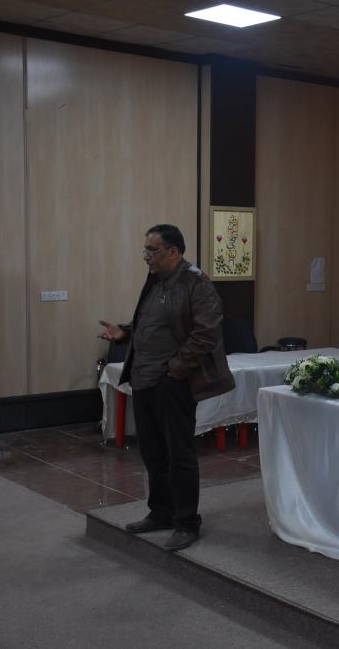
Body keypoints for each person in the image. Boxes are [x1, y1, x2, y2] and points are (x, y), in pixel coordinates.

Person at [98, 224, 234, 551]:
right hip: (144, 380)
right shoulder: (156, 280)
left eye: (152, 250)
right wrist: (125, 332)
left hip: (172, 383)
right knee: (153, 453)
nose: (146, 256)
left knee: (179, 455)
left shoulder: (196, 283)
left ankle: (186, 522)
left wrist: (175, 371)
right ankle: (161, 512)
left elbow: (206, 333)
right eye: (145, 249)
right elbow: (153, 323)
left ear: (173, 252)